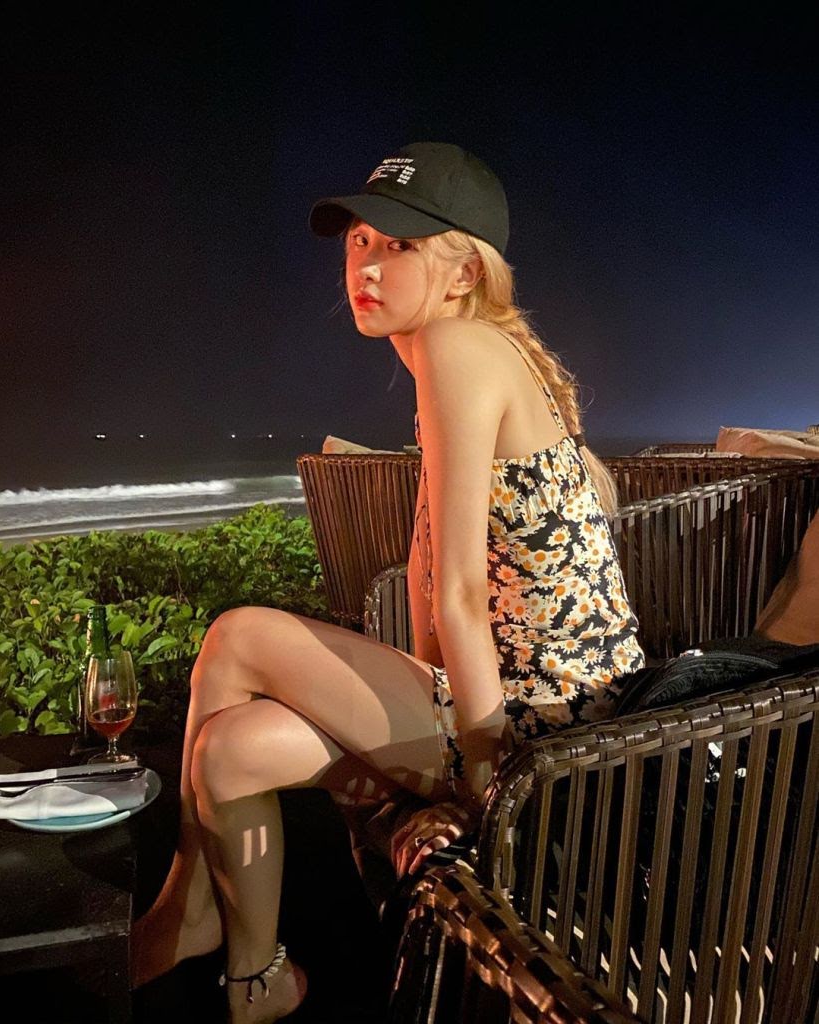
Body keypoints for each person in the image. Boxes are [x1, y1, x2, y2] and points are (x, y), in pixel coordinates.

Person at [131, 141, 646, 1022]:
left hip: (555, 730)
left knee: (237, 635)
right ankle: (256, 981)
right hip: (515, 704)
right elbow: (429, 581)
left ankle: (190, 906)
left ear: (464, 270)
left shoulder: (459, 346)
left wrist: (481, 789)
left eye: (399, 246)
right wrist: (409, 728)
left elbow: (461, 597)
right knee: (230, 749)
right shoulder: (461, 357)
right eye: (359, 242)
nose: (365, 267)